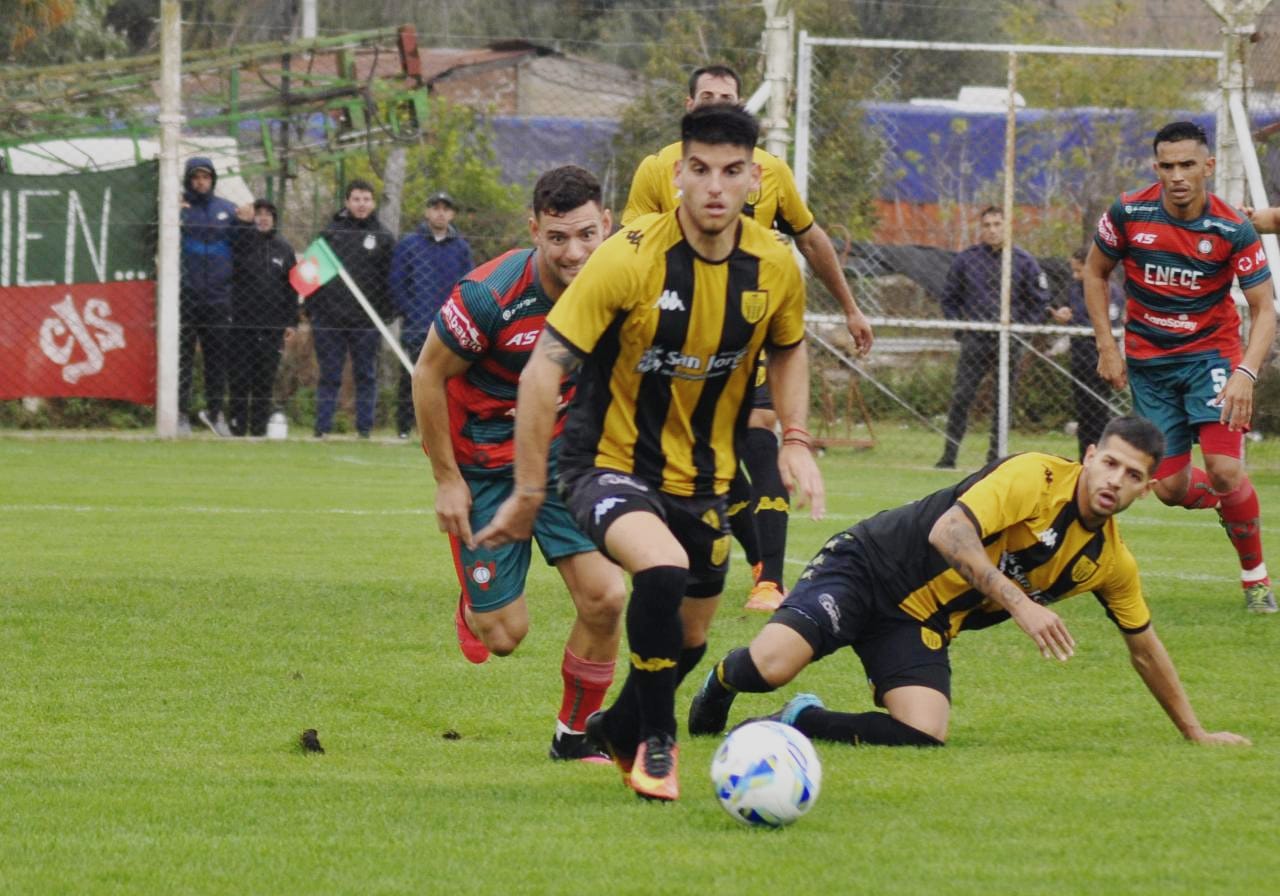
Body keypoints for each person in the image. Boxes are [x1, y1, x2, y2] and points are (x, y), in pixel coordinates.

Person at [475, 105, 825, 801]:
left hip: (702, 476)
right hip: (605, 463)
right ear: (678, 176)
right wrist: (531, 489)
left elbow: (789, 348)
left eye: (731, 172)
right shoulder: (627, 257)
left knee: (690, 636)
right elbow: (544, 368)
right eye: (700, 170)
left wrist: (796, 440)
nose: (715, 187)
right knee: (659, 572)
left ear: (755, 180)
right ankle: (654, 747)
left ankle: (614, 726)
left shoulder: (773, 265)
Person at [688, 416, 1251, 750]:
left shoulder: (1109, 562)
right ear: (1089, 457)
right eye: (1110, 464)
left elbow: (1145, 648)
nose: (1115, 481)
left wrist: (1195, 732)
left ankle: (798, 719)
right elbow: (949, 531)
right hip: (868, 567)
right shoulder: (1034, 476)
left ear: (1146, 490)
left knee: (925, 731)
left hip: (920, 619)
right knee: (769, 666)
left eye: (1132, 476)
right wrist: (1021, 605)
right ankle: (721, 681)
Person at [623, 63, 875, 613]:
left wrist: (852, 307)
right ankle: (746, 552)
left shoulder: (768, 172)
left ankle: (771, 578)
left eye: (729, 98)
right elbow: (628, 247)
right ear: (689, 105)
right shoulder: (657, 169)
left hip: (746, 327)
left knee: (761, 426)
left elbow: (811, 240)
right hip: (675, 340)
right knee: (703, 455)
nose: (718, 104)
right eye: (708, 96)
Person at [412, 166, 626, 763]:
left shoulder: (620, 286)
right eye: (558, 237)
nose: (575, 251)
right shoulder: (489, 296)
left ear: (606, 224)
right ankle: (476, 599)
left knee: (607, 596)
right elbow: (428, 375)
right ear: (534, 230)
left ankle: (576, 736)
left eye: (587, 234)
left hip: (561, 464)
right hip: (481, 468)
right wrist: (446, 480)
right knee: (504, 637)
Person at [1085, 120, 1278, 614]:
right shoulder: (1129, 212)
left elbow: (1264, 309)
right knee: (1168, 488)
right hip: (1149, 364)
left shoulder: (1231, 226)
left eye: (1188, 165)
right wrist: (1107, 346)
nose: (1177, 176)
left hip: (1212, 358)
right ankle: (1231, 504)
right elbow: (1094, 271)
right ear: (1156, 168)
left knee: (1224, 467)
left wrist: (1246, 372)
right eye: (1167, 166)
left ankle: (1255, 579)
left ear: (1207, 167)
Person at [935, 206, 1051, 469]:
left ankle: (995, 458)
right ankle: (948, 455)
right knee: (962, 395)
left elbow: (1040, 302)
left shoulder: (1023, 261)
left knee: (1003, 399)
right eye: (987, 225)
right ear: (981, 229)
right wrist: (960, 329)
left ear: (1007, 226)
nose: (992, 230)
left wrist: (1021, 331)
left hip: (1008, 341)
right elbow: (949, 298)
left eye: (997, 224)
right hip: (976, 338)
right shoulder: (967, 260)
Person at [305, 180, 395, 439]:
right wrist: (314, 311)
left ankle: (364, 430)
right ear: (347, 202)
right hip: (330, 320)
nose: (361, 204)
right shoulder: (330, 235)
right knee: (330, 375)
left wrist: (384, 313)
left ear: (373, 203)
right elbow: (312, 275)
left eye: (366, 199)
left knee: (366, 375)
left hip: (366, 322)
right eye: (356, 199)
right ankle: (322, 429)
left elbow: (390, 280)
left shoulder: (383, 237)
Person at [391, 190, 473, 440]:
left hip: (449, 327)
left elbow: (468, 284)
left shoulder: (461, 249)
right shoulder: (409, 245)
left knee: (449, 380)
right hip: (416, 325)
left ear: (452, 214)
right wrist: (411, 310)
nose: (440, 212)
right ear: (427, 212)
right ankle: (404, 427)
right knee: (412, 376)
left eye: (445, 208)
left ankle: (444, 430)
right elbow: (397, 283)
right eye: (435, 207)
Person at [179, 156, 241, 437]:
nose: (200, 182)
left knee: (218, 359)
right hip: (185, 298)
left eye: (205, 177)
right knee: (182, 358)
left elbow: (244, 248)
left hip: (218, 299)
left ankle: (215, 413)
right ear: (188, 180)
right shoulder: (177, 210)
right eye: (195, 177)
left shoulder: (228, 211)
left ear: (212, 179)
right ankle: (179, 414)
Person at [228, 199, 297, 437]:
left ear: (274, 219)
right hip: (242, 323)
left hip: (272, 326)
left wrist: (291, 321)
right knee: (240, 376)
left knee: (264, 378)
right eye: (259, 213)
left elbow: (292, 289)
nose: (264, 218)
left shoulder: (284, 249)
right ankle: (236, 426)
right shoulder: (241, 244)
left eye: (269, 214)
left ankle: (258, 430)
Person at [1049, 246, 1122, 459]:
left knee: (1099, 412)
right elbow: (1065, 306)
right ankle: (1084, 460)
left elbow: (1107, 323)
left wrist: (1073, 319)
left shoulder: (1111, 290)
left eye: (1079, 270)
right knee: (1083, 413)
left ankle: (1103, 456)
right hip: (1079, 358)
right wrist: (1062, 312)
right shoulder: (1075, 287)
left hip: (1100, 359)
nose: (1075, 275)